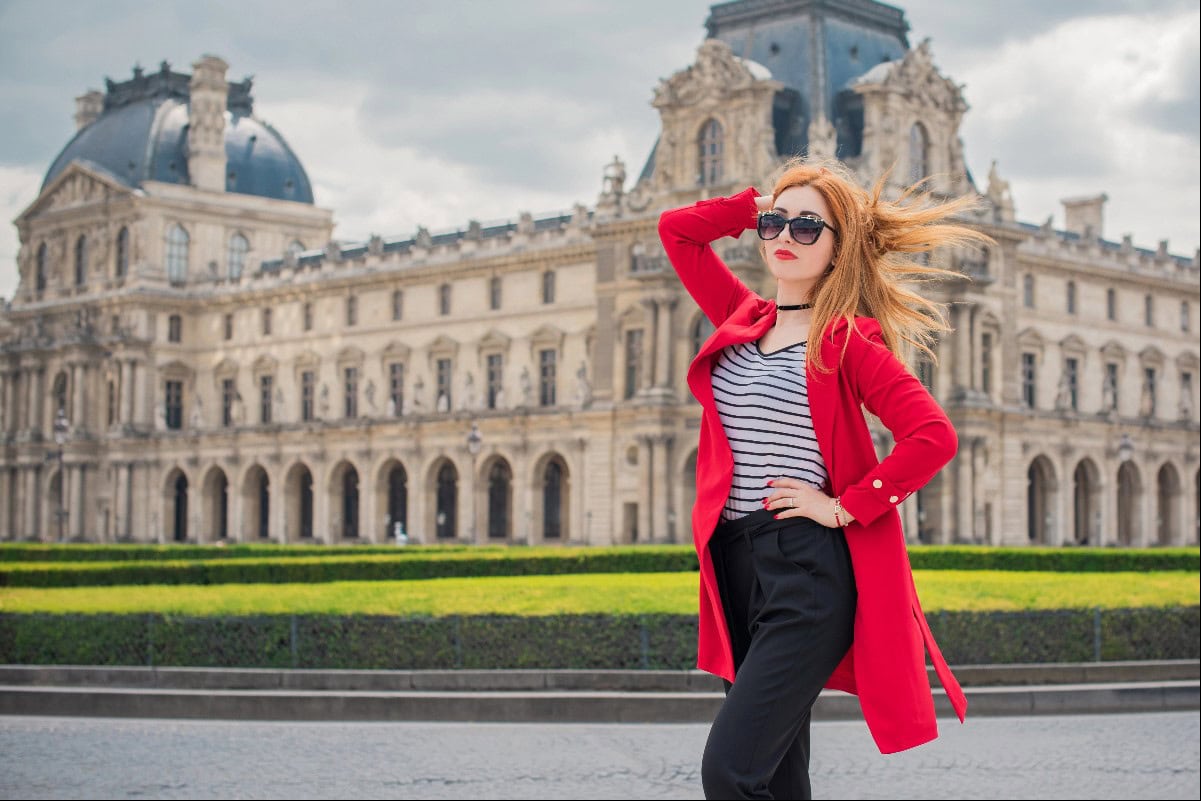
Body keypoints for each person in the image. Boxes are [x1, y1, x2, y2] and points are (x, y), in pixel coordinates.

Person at [658, 157, 992, 800]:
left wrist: (844, 507)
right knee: (779, 778)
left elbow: (933, 436)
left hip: (805, 571)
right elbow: (677, 231)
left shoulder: (849, 339)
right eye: (775, 224)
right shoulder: (740, 314)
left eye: (809, 227)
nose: (785, 237)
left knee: (729, 772)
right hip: (735, 567)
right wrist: (759, 201)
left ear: (841, 246)